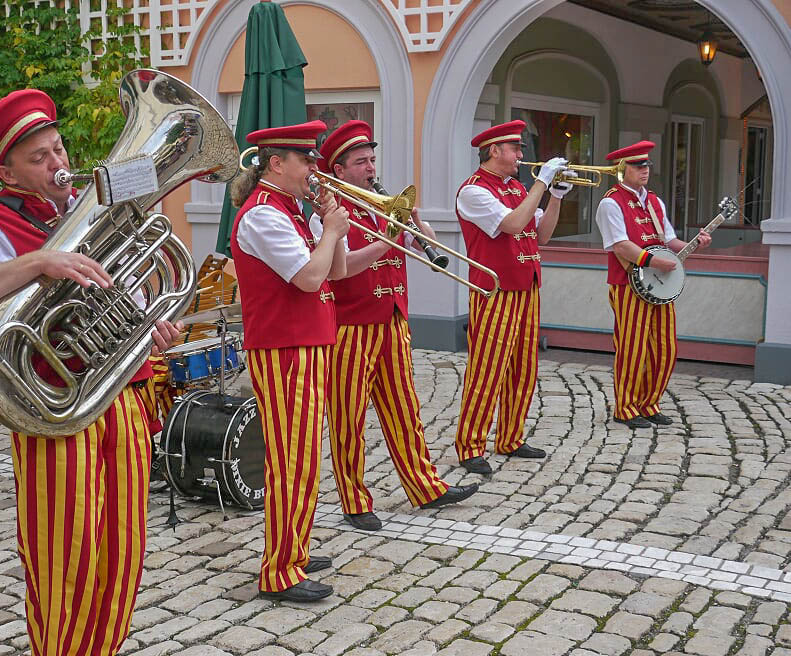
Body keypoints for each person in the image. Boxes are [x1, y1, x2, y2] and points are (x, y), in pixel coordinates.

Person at [0, 89, 181, 656]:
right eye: (39, 157)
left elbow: (128, 294)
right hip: (56, 412)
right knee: (65, 557)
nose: (58, 163)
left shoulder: (84, 211)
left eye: (58, 147)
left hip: (123, 395)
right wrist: (38, 261)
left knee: (122, 553)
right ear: (7, 171)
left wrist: (150, 326)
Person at [311, 120, 478, 531]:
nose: (371, 167)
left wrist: (415, 224)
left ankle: (425, 485)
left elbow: (433, 245)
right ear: (339, 169)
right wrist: (389, 239)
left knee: (405, 409)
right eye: (361, 162)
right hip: (352, 326)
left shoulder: (382, 203)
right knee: (348, 417)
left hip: (392, 319)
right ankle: (353, 498)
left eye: (372, 159)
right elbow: (341, 270)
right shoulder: (330, 214)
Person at [229, 120, 350, 603]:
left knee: (302, 457)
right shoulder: (263, 215)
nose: (314, 169)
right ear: (277, 164)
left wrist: (330, 227)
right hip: (283, 349)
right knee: (290, 460)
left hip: (305, 344)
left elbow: (334, 272)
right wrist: (330, 231)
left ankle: (293, 546)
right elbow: (307, 278)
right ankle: (280, 570)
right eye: (306, 160)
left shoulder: (291, 211)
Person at [454, 120, 571, 475]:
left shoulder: (518, 189)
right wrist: (541, 183)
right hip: (495, 290)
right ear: (494, 151)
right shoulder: (473, 191)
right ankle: (470, 444)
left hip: (527, 285)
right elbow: (513, 225)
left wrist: (555, 197)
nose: (522, 155)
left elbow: (544, 234)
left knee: (523, 366)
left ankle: (510, 436)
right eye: (516, 149)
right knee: (487, 367)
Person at [594, 141, 712, 429]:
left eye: (647, 164)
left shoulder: (655, 201)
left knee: (665, 348)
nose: (645, 170)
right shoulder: (610, 202)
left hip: (658, 287)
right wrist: (654, 262)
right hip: (627, 284)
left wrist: (694, 244)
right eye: (638, 165)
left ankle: (649, 403)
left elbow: (669, 241)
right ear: (622, 170)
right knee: (632, 348)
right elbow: (620, 245)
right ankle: (625, 407)